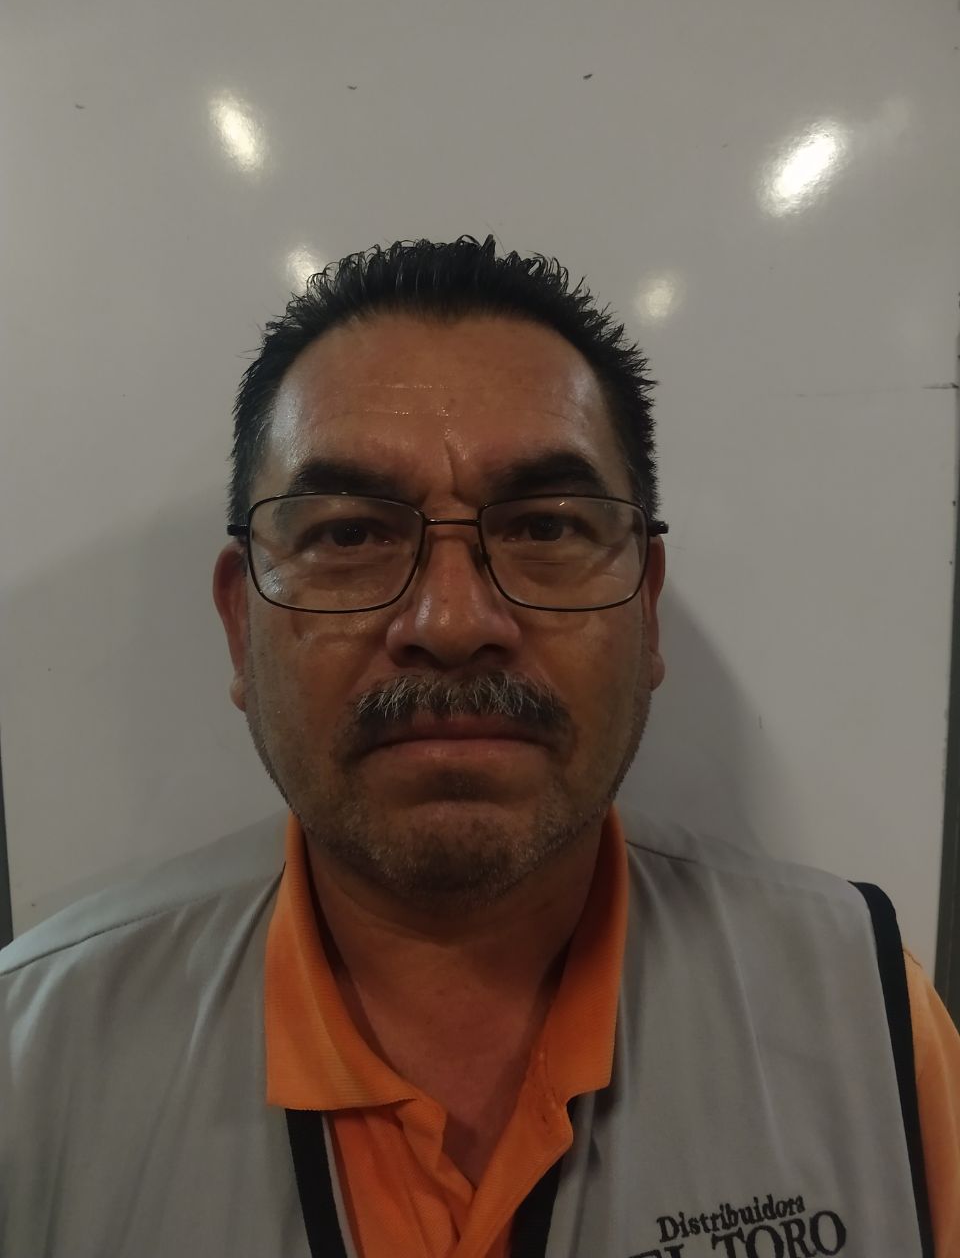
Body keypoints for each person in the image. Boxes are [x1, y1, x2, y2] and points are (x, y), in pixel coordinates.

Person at [1, 236, 957, 1257]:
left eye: (545, 527)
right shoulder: (32, 1053)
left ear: (646, 609)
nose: (452, 622)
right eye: (349, 533)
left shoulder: (866, 1011)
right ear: (242, 625)